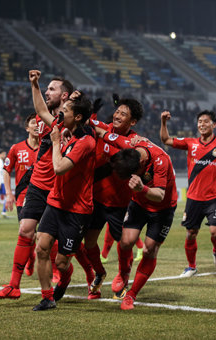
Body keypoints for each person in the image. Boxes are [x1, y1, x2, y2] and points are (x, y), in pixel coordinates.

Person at [0, 73, 94, 300]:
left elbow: (88, 120)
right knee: (26, 231)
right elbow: (40, 110)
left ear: (64, 96)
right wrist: (33, 84)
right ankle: (14, 286)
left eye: (52, 89)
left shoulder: (76, 125)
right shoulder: (52, 121)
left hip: (59, 189)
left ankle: (84, 273)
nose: (47, 92)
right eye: (46, 89)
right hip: (38, 185)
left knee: (64, 249)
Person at [28, 70, 96, 311]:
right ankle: (47, 297)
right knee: (41, 247)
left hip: (77, 209)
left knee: (62, 261)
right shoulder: (62, 125)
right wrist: (34, 85)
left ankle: (66, 279)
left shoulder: (85, 142)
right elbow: (42, 112)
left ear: (77, 117)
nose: (60, 115)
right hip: (55, 202)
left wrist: (56, 141)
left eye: (65, 112)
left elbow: (59, 168)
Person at [93, 125, 178, 310]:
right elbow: (103, 133)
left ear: (140, 166)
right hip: (139, 204)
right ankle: (124, 273)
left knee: (149, 250)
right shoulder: (129, 145)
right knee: (125, 241)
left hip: (162, 208)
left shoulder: (160, 161)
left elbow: (160, 195)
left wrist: (143, 188)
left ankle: (131, 295)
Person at [160, 110, 216, 277]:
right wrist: (164, 122)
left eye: (206, 121)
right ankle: (191, 267)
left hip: (214, 197)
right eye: (199, 121)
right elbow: (166, 140)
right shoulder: (190, 143)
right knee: (191, 234)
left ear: (214, 125)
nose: (202, 124)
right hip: (193, 198)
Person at [84, 97, 144, 300]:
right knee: (89, 242)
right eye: (117, 111)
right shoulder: (102, 128)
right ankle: (99, 273)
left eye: (123, 114)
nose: (117, 115)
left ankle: (122, 278)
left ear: (132, 122)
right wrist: (88, 110)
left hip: (120, 205)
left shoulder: (137, 143)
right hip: (96, 199)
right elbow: (84, 120)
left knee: (125, 245)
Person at [3, 113, 39, 275]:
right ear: (27, 128)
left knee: (47, 236)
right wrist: (9, 193)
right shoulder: (16, 148)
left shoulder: (48, 148)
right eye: (33, 123)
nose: (37, 125)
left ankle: (54, 269)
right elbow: (6, 171)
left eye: (39, 122)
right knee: (28, 235)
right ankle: (30, 259)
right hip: (23, 198)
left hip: (44, 196)